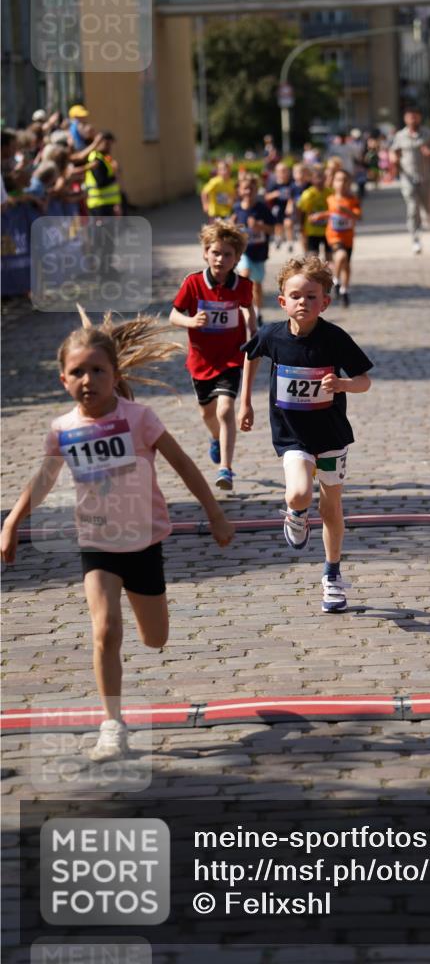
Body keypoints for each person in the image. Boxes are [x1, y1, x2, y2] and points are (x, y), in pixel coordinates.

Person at [0, 310, 235, 761]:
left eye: (97, 370)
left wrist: (215, 515)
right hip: (98, 542)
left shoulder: (140, 419)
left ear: (115, 374)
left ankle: (147, 634)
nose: (87, 380)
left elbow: (184, 465)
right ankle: (113, 725)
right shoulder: (63, 430)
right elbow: (44, 480)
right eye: (77, 372)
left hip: (143, 542)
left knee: (155, 638)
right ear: (62, 379)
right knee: (105, 630)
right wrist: (11, 523)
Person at [237, 255, 372, 613]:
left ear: (325, 302)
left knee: (331, 507)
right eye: (295, 296)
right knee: (298, 493)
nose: (303, 302)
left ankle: (332, 574)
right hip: (292, 435)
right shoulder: (271, 335)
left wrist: (343, 383)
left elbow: (364, 381)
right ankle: (295, 514)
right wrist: (245, 402)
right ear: (282, 301)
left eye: (312, 297)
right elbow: (250, 356)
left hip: (332, 435)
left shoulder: (335, 338)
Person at [169, 222, 255, 491]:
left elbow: (248, 308)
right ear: (205, 253)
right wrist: (191, 322)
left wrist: (253, 329)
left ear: (237, 259)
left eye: (228, 254)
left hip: (231, 357)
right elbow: (173, 315)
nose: (221, 259)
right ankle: (216, 438)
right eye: (216, 252)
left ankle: (225, 469)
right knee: (208, 413)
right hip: (201, 359)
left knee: (225, 409)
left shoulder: (242, 285)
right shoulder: (193, 283)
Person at [390, 104, 430, 254]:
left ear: (419, 117)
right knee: (412, 207)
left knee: (428, 208)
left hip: (426, 177)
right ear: (405, 119)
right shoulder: (400, 136)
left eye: (415, 116)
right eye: (409, 116)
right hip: (408, 178)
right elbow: (393, 152)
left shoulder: (428, 134)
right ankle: (415, 238)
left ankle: (426, 219)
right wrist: (394, 159)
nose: (412, 119)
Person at [231, 173, 275, 326]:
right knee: (245, 275)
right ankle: (243, 310)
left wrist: (259, 226)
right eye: (245, 188)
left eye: (251, 188)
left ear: (256, 190)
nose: (248, 191)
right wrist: (231, 226)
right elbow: (231, 229)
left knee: (256, 285)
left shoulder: (262, 208)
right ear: (239, 191)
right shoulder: (236, 208)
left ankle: (258, 312)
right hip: (243, 252)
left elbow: (272, 230)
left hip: (260, 253)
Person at [322, 167, 362, 307]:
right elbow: (330, 213)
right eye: (339, 180)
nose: (342, 183)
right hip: (333, 236)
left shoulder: (352, 200)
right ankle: (336, 281)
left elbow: (358, 216)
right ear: (333, 182)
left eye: (345, 180)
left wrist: (347, 211)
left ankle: (344, 290)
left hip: (348, 238)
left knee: (347, 266)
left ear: (349, 183)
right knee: (341, 256)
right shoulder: (330, 199)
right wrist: (319, 216)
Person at [296, 164, 331, 261]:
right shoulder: (308, 194)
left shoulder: (330, 192)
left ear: (325, 178)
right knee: (312, 258)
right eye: (316, 178)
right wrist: (301, 226)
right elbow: (301, 210)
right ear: (312, 179)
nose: (319, 181)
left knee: (329, 258)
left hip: (328, 230)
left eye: (321, 177)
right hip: (312, 231)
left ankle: (329, 275)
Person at [264, 161, 293, 250]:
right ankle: (278, 238)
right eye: (280, 171)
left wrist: (290, 203)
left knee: (288, 223)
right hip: (278, 206)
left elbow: (294, 195)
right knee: (278, 223)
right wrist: (275, 194)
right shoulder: (273, 184)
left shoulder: (291, 183)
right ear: (276, 173)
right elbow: (267, 196)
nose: (283, 173)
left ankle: (289, 242)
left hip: (288, 206)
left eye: (285, 171)